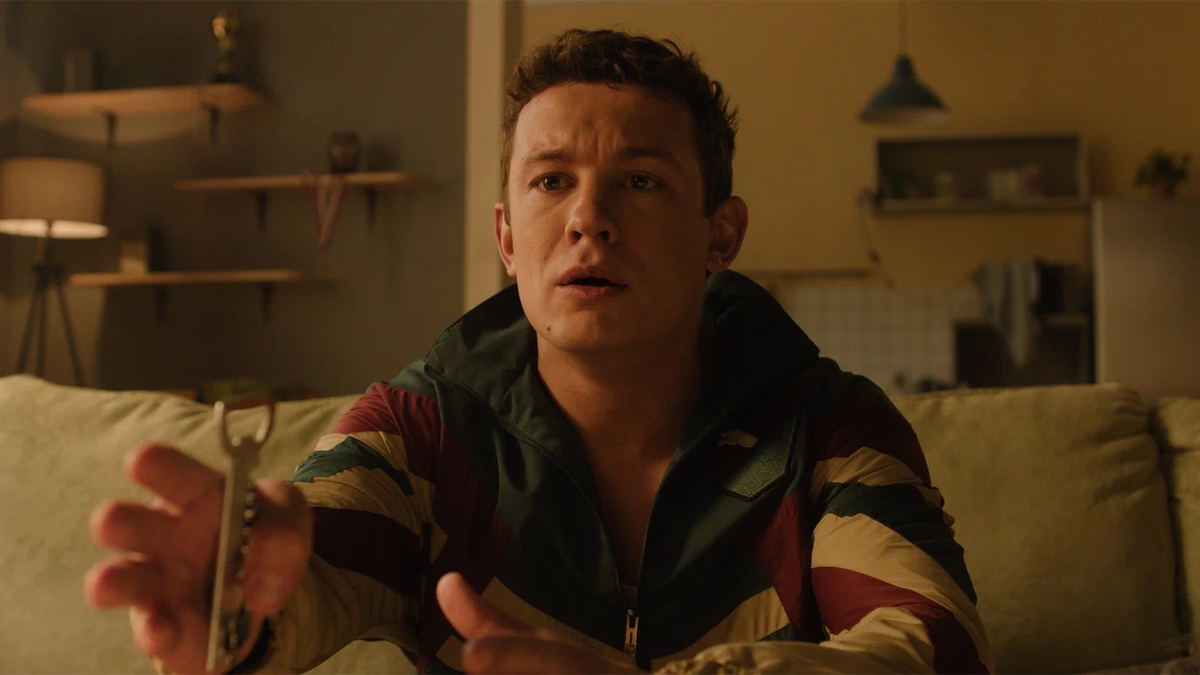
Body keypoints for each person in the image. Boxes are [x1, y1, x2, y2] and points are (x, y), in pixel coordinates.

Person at [85, 28, 993, 675]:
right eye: (552, 180)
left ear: (721, 233)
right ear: (509, 238)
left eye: (641, 181)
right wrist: (235, 607)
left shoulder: (829, 428)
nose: (589, 217)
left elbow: (931, 644)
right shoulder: (419, 429)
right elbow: (306, 563)